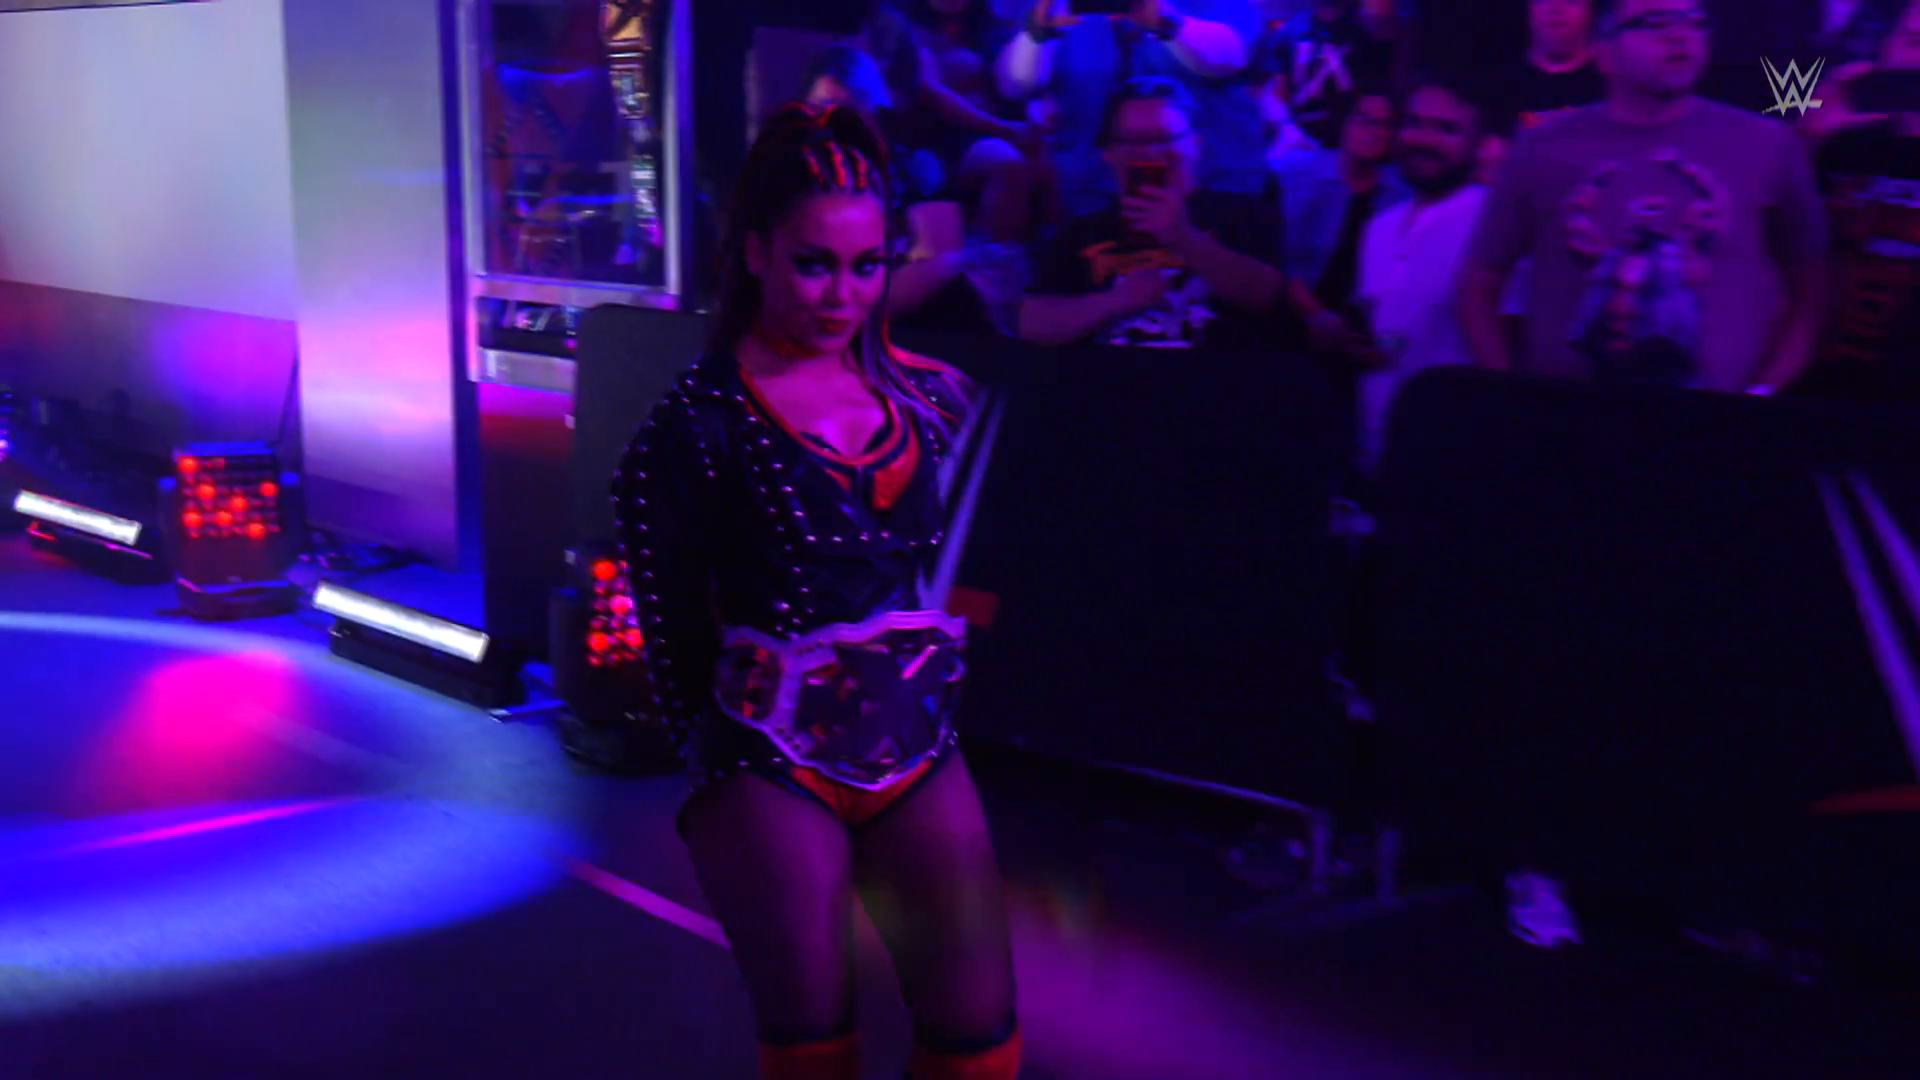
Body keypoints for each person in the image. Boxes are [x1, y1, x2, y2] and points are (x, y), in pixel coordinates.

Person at [613, 103, 1021, 1080]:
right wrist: (718, 773)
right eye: (814, 264)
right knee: (814, 1053)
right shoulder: (697, 426)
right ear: (755, 252)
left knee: (980, 1042)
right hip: (768, 764)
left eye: (867, 264)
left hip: (918, 747)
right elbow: (670, 629)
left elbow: (978, 571)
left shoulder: (933, 396)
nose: (844, 294)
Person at [1458, 0, 1828, 396]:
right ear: (1603, 52)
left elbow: (1814, 287)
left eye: (1694, 21)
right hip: (1566, 419)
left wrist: (1764, 393)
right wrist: (1508, 398)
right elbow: (1479, 287)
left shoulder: (1768, 145)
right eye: (1654, 22)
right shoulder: (1539, 148)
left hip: (1716, 422)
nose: (1679, 34)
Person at [1018, 75, 1287, 348]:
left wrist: (1184, 238)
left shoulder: (1243, 215)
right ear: (1108, 153)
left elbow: (1269, 296)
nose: (1150, 152)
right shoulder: (1081, 232)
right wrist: (1116, 300)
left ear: (1196, 144)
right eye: (1134, 141)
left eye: (1165, 139)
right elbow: (1031, 323)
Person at [997, 0, 1269, 216]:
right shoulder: (1062, 6)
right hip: (1092, 201)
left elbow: (1230, 56)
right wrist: (1035, 37)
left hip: (1211, 192)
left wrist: (1167, 22)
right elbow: (1016, 85)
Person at [1353, 76, 1489, 470]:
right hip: (1374, 449)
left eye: (1446, 129)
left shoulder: (1491, 221)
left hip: (1455, 454)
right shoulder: (1379, 226)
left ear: (1478, 143)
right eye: (1415, 123)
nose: (1425, 140)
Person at [1797, 0, 1920, 401]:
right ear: (1885, 49)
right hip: (1819, 382)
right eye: (1914, 42)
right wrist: (1806, 141)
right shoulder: (1838, 142)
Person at [1255, 0, 1401, 149]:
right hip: (1298, 147)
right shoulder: (1289, 34)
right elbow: (1275, 94)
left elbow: (1377, 95)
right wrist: (1287, 128)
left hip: (1350, 149)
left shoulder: (1367, 35)